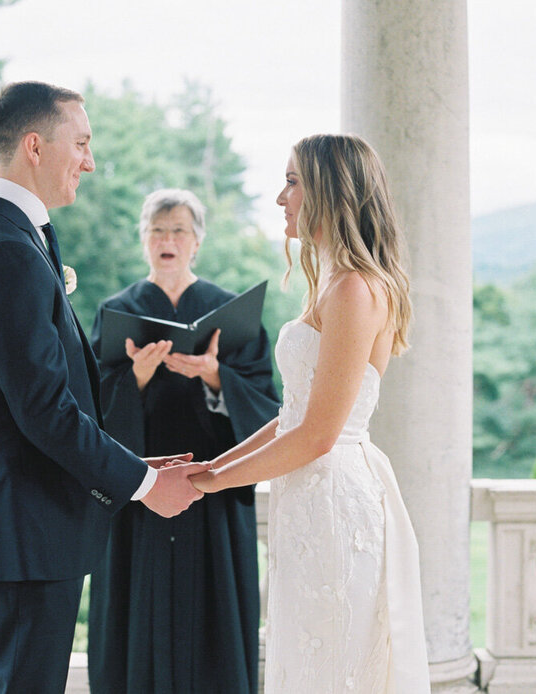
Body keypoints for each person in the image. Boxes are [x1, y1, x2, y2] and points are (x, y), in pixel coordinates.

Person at [0, 81, 205, 694]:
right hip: (20, 535)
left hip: (29, 530)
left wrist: (130, 461)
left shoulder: (15, 237)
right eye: (81, 144)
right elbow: (44, 412)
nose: (89, 161)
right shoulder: (6, 250)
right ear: (35, 146)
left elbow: (31, 402)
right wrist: (144, 486)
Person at [190, 134, 431, 694]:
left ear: (330, 190)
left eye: (293, 182)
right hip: (306, 497)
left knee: (332, 664)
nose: (280, 197)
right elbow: (292, 416)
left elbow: (320, 435)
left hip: (333, 500)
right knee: (304, 656)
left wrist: (210, 484)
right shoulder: (330, 285)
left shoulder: (355, 291)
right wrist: (212, 467)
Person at [87, 188, 281, 694]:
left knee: (212, 611)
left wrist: (217, 377)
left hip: (210, 489)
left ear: (197, 242)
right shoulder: (117, 312)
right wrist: (138, 378)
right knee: (136, 608)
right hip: (140, 492)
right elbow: (84, 412)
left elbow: (268, 407)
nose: (167, 239)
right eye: (157, 229)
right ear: (143, 240)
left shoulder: (229, 312)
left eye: (178, 230)